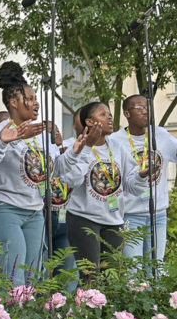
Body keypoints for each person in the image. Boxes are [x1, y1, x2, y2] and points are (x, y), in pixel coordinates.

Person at [116, 94, 177, 274]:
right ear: (127, 113)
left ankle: (155, 302)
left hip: (158, 213)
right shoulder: (116, 140)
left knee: (156, 268)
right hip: (130, 215)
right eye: (140, 108)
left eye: (148, 108)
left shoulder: (159, 134)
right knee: (133, 270)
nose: (146, 112)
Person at [53, 101, 147, 278]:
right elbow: (72, 180)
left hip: (114, 220)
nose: (109, 117)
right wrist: (87, 148)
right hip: (84, 218)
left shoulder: (118, 148)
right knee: (91, 277)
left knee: (110, 278)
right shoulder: (77, 146)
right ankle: (86, 306)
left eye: (109, 114)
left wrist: (142, 176)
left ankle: (107, 307)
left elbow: (131, 186)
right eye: (103, 114)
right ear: (89, 122)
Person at [0, 62, 49, 285]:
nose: (36, 103)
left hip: (34, 211)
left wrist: (77, 151)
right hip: (2, 208)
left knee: (31, 276)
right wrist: (2, 142)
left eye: (36, 98)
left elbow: (55, 170)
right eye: (30, 98)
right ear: (13, 102)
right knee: (11, 275)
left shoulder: (37, 134)